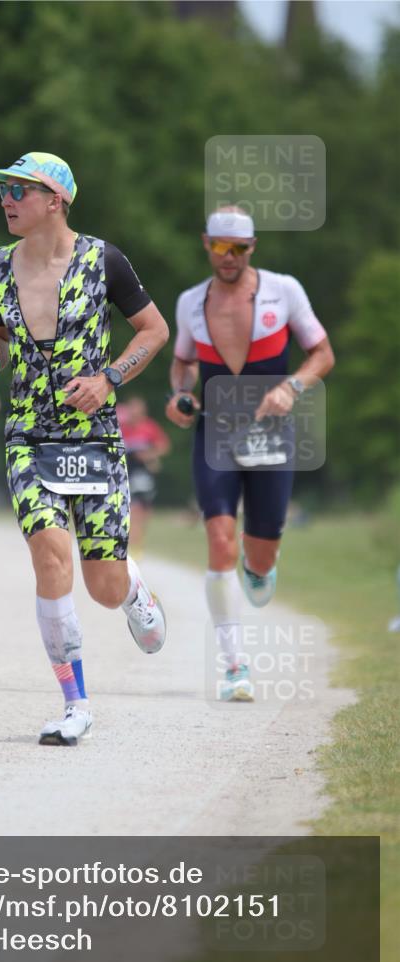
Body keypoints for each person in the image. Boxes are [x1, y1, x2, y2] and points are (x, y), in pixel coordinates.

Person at [0, 151, 169, 746]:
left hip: (95, 438)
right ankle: (74, 702)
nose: (7, 199)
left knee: (102, 586)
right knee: (50, 558)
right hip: (28, 437)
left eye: (20, 190)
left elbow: (154, 330)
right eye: (4, 190)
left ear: (56, 199)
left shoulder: (103, 259)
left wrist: (109, 378)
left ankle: (132, 587)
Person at [165, 205, 335, 702]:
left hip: (271, 435)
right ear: (206, 244)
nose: (229, 257)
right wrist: (180, 396)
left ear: (252, 248)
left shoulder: (285, 290)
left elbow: (322, 354)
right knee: (219, 540)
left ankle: (260, 563)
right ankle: (234, 666)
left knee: (258, 561)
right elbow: (181, 364)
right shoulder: (191, 303)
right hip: (214, 432)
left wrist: (292, 388)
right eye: (220, 247)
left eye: (238, 248)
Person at [117, 395, 171, 560]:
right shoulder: (122, 428)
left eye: (137, 409)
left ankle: (137, 543)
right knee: (134, 510)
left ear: (143, 411)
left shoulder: (149, 427)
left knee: (144, 512)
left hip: (145, 475)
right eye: (131, 408)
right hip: (127, 474)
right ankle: (131, 548)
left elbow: (164, 446)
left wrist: (149, 455)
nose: (133, 412)